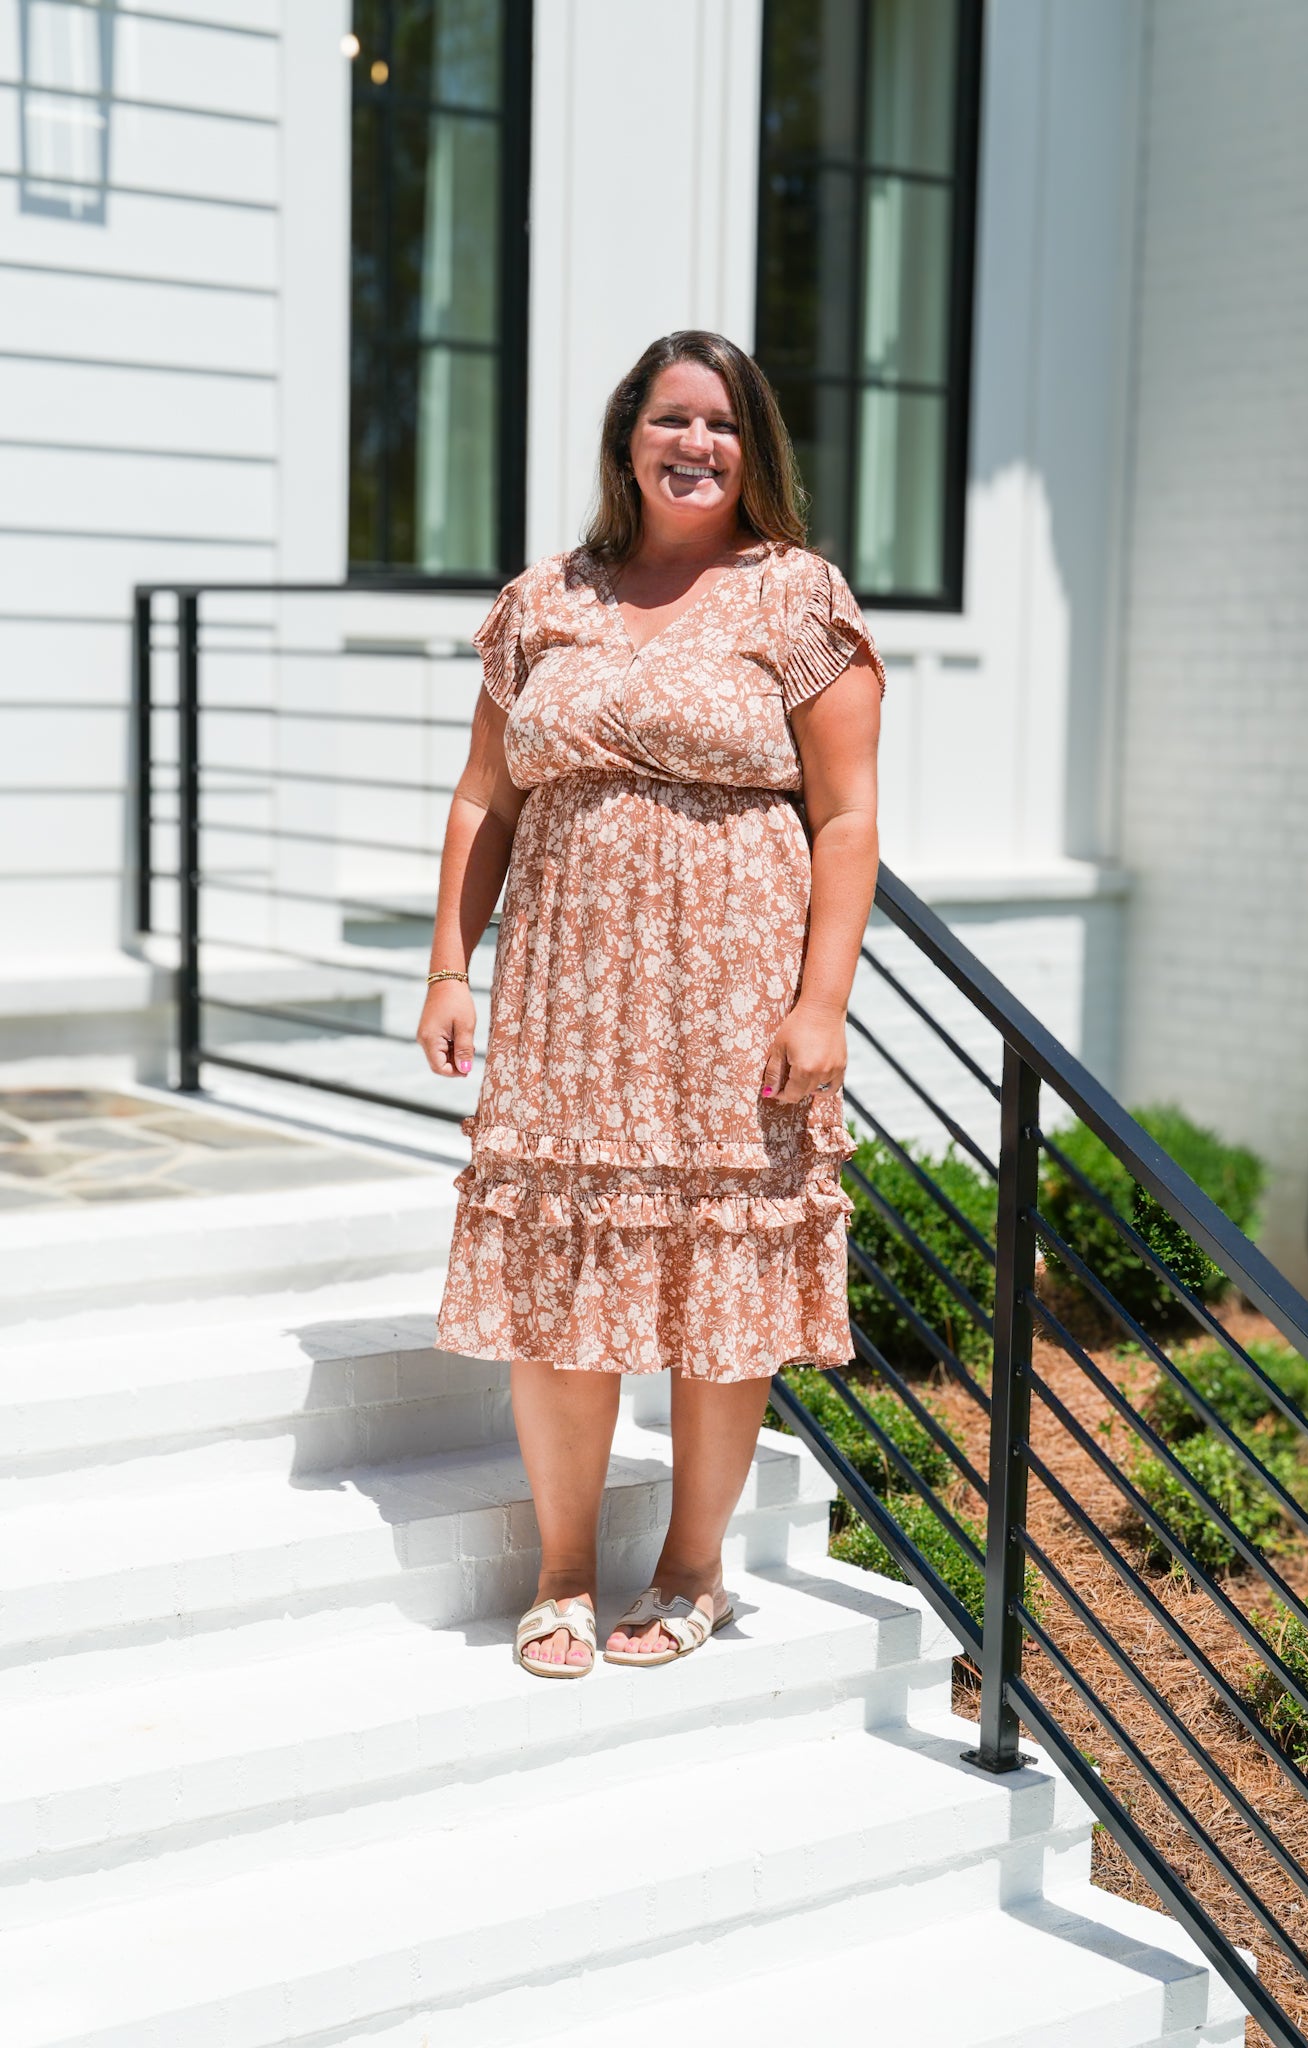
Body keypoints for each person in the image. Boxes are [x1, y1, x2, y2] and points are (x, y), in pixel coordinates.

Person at [417, 329, 885, 1678]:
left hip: (733, 993)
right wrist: (450, 966)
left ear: (755, 452)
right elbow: (481, 798)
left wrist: (820, 1002)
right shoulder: (546, 598)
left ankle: (692, 1569)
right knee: (563, 1281)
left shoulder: (795, 597)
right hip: (568, 993)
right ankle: (563, 1572)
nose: (696, 445)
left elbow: (846, 817)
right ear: (628, 436)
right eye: (672, 419)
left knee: (718, 1282)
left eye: (722, 425)